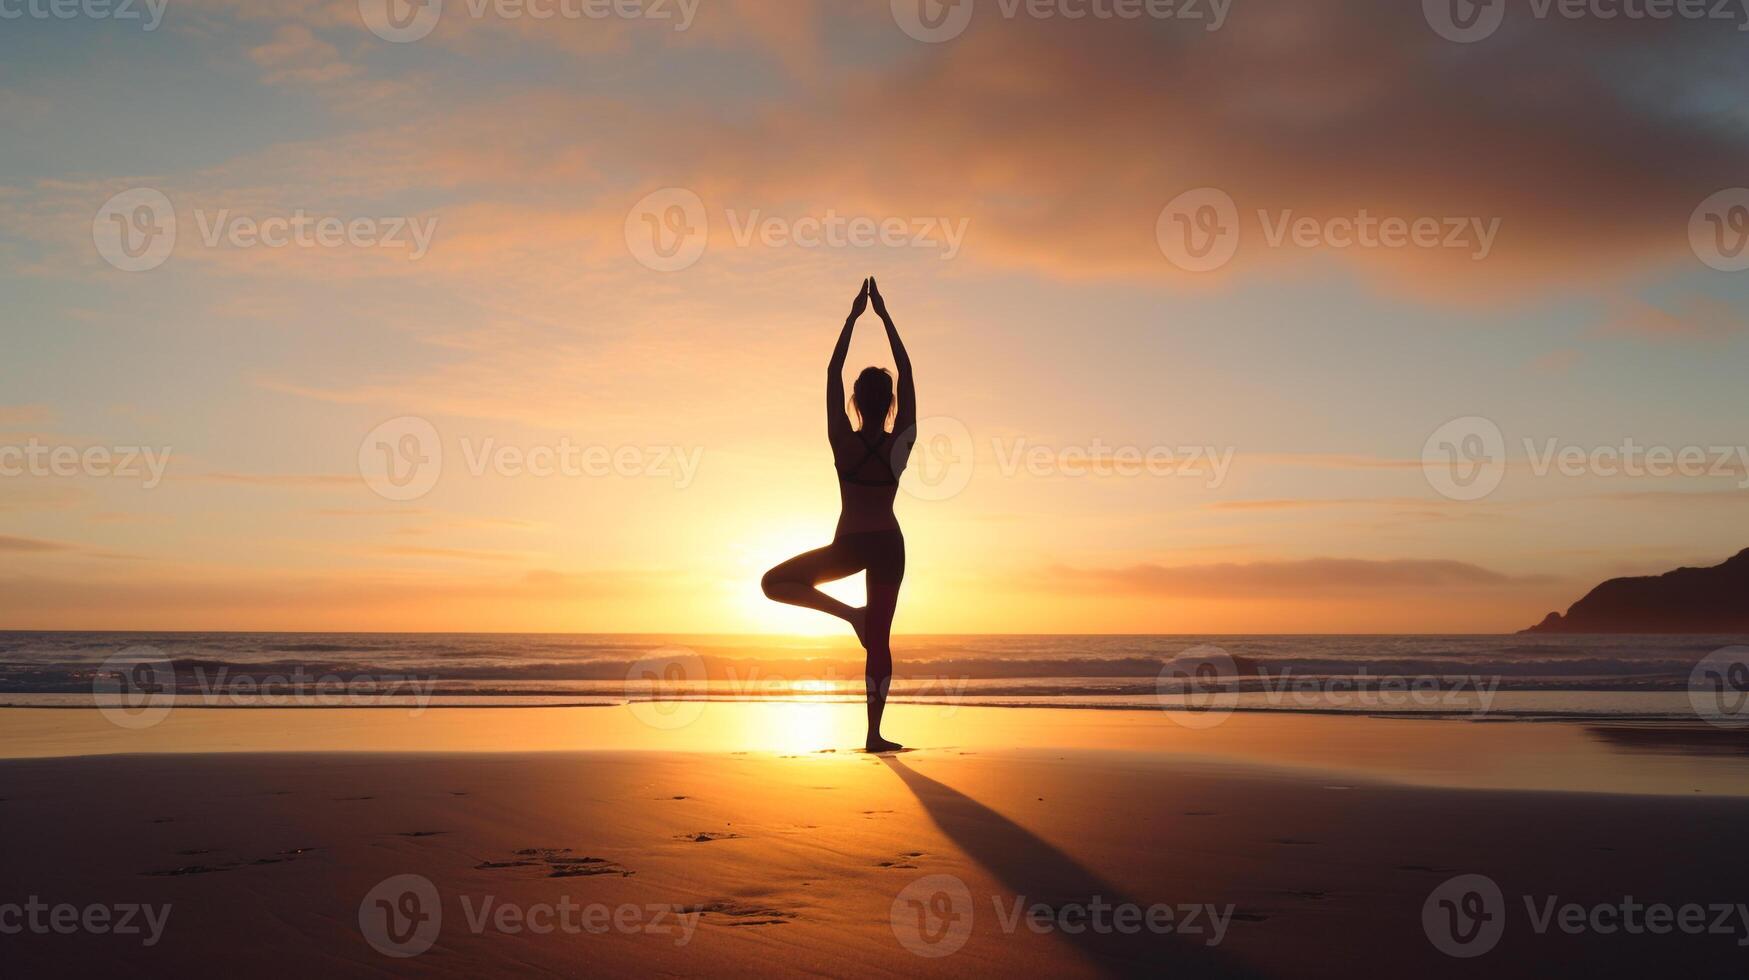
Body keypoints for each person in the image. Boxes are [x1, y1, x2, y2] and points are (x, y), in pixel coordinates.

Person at [761, 277, 916, 753]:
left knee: (773, 583)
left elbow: (831, 374)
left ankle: (852, 615)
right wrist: (886, 319)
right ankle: (873, 734)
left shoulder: (843, 442)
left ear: (854, 401)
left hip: (850, 545)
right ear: (889, 404)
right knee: (881, 641)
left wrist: (852, 319)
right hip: (888, 544)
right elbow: (907, 374)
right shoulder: (899, 443)